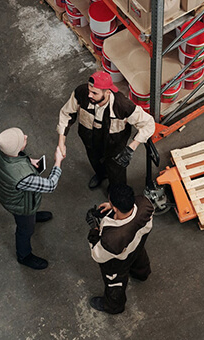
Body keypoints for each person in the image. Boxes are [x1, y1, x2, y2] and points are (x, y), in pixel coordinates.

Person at [56, 71, 155, 190]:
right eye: (89, 90)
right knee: (95, 159)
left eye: (94, 93)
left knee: (116, 170)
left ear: (108, 92)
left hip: (115, 144)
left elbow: (149, 124)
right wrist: (61, 142)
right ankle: (101, 174)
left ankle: (115, 191)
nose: (89, 95)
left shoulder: (122, 105)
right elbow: (67, 113)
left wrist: (130, 148)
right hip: (90, 138)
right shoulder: (81, 93)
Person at [0, 127, 65, 270]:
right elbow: (50, 185)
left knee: (29, 217)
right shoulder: (22, 177)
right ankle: (24, 256)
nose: (25, 136)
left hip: (6, 193)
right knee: (25, 229)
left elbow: (12, 157)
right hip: (20, 206)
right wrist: (58, 162)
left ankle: (34, 216)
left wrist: (28, 161)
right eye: (22, 139)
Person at [86, 183, 154, 314]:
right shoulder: (145, 204)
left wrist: (94, 231)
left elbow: (97, 255)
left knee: (114, 283)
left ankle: (114, 307)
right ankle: (142, 274)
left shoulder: (112, 239)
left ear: (116, 208)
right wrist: (112, 207)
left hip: (118, 261)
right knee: (139, 259)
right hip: (138, 244)